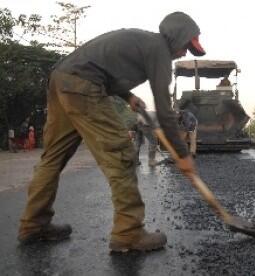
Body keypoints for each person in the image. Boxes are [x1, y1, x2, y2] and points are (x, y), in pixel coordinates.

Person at [18, 11, 205, 253]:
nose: (184, 53)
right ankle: (129, 233)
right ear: (176, 37)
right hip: (83, 85)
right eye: (186, 47)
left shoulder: (142, 41)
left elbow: (105, 69)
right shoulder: (159, 50)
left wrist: (128, 96)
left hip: (61, 79)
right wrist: (183, 154)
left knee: (52, 158)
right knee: (121, 153)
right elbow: (164, 108)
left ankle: (33, 224)